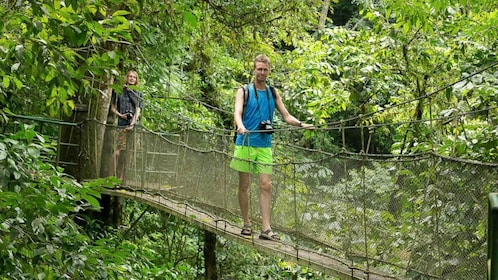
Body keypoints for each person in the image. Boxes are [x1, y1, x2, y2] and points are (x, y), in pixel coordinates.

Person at [230, 54, 314, 241]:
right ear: (254, 70)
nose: (262, 72)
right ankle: (246, 224)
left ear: (268, 71)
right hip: (245, 143)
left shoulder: (272, 92)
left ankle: (266, 229)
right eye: (259, 69)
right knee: (244, 185)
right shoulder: (244, 91)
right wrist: (240, 125)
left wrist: (301, 124)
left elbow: (286, 115)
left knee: (266, 186)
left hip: (264, 145)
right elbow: (237, 111)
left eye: (265, 69)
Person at [109, 70, 144, 181]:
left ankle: (122, 178)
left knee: (129, 152)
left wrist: (133, 123)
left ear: (136, 79)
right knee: (117, 152)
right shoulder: (119, 91)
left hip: (134, 125)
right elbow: (113, 108)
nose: (132, 78)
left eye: (134, 77)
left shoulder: (138, 94)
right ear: (126, 78)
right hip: (122, 124)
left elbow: (138, 110)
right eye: (130, 76)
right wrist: (121, 116)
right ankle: (110, 177)